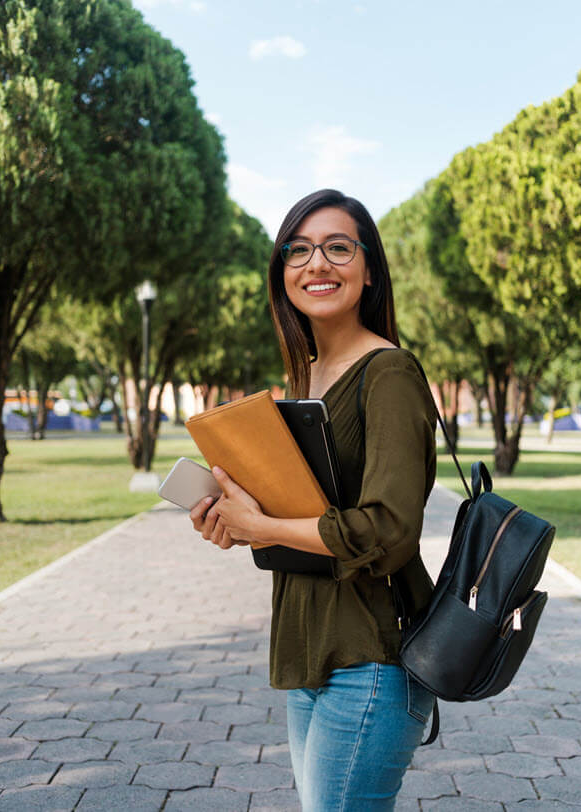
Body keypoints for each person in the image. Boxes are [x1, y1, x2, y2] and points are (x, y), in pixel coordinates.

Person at [189, 189, 438, 810]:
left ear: (369, 267)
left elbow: (389, 529)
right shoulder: (306, 377)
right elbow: (298, 513)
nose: (315, 263)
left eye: (337, 247)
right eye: (297, 250)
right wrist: (238, 522)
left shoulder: (389, 373)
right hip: (309, 651)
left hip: (371, 657)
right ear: (281, 273)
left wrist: (265, 524)